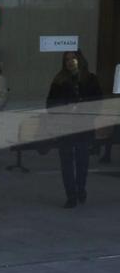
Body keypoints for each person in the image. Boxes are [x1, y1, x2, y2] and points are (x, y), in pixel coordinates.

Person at [46, 50, 102, 208]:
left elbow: (98, 102)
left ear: (80, 60)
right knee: (67, 163)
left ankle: (80, 189)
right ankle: (71, 195)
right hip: (65, 127)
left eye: (73, 58)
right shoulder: (59, 80)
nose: (70, 62)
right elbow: (50, 103)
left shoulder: (90, 79)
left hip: (83, 127)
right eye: (67, 59)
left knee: (82, 162)